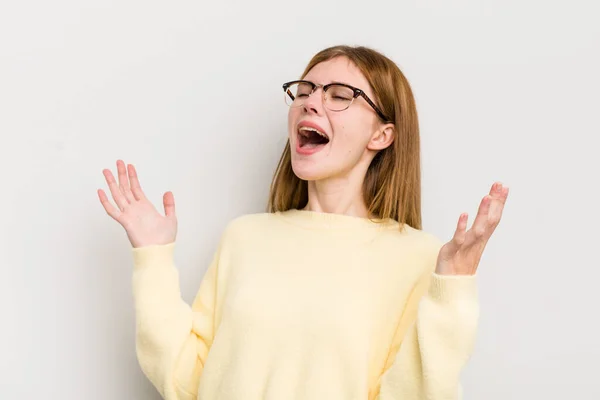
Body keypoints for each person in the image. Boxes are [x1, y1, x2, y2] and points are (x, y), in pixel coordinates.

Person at [98, 45, 509, 400]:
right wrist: (152, 256)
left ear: (382, 135)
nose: (310, 102)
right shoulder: (245, 237)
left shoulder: (419, 257)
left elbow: (417, 391)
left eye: (339, 95)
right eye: (306, 90)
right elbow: (186, 381)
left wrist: (453, 286)